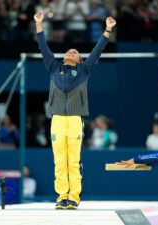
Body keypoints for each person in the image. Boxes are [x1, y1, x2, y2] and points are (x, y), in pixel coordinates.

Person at [34, 11, 116, 209]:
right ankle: (61, 196)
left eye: (75, 52)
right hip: (57, 121)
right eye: (69, 51)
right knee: (59, 160)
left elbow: (97, 52)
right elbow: (43, 47)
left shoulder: (84, 70)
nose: (71, 53)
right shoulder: (53, 67)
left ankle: (74, 197)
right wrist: (38, 24)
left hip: (74, 120)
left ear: (79, 60)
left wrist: (107, 30)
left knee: (74, 160)